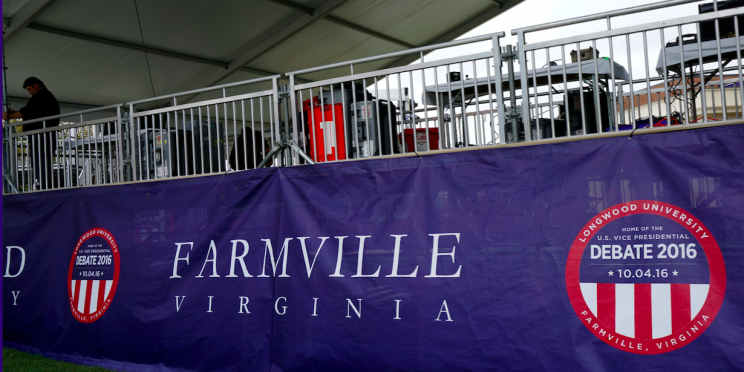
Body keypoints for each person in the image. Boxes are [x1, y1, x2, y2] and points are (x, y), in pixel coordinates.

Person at [3, 77, 61, 190]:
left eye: (30, 89)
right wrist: (16, 113)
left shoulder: (42, 96)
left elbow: (26, 112)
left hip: (42, 137)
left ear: (36, 86)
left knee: (41, 163)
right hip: (42, 137)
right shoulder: (45, 97)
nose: (29, 92)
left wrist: (9, 116)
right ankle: (44, 186)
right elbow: (32, 112)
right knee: (41, 163)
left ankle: (45, 187)